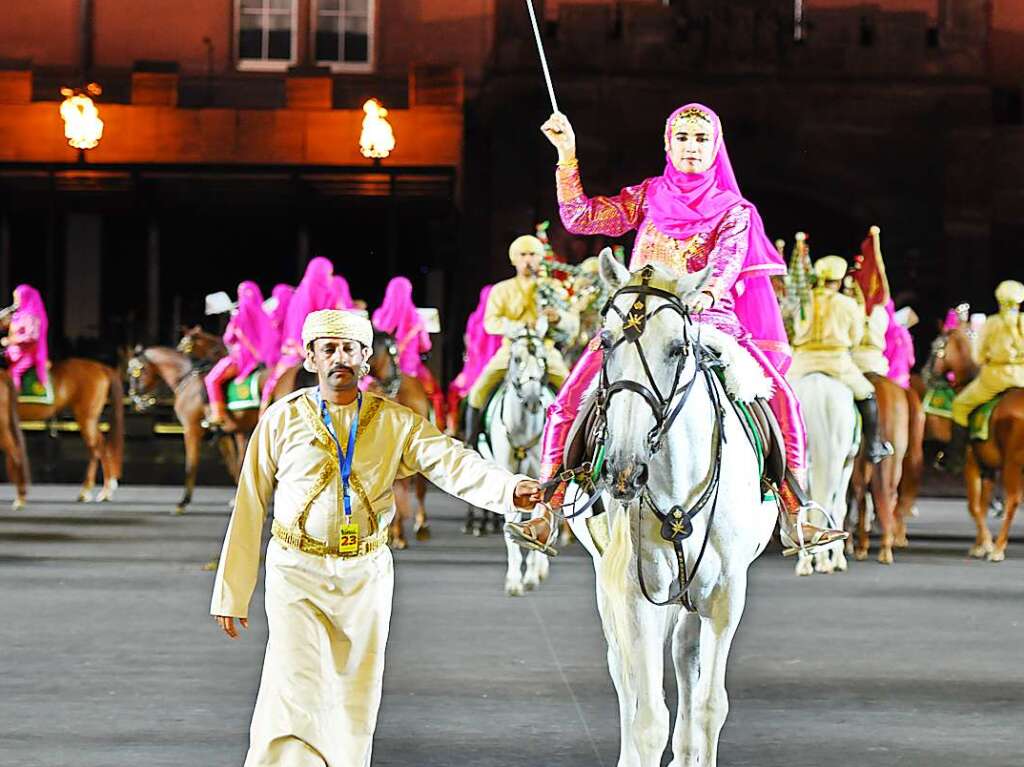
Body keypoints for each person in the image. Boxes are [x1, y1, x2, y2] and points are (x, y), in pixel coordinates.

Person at [210, 309, 544, 766]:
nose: (339, 358)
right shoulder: (280, 420)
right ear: (311, 357)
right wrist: (233, 592)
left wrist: (510, 489)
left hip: (365, 575)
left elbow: (452, 461)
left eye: (350, 348)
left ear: (367, 358)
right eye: (328, 349)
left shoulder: (396, 422)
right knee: (294, 680)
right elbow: (250, 505)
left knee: (355, 689)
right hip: (295, 571)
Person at [510, 105, 847, 556]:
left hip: (708, 319)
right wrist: (567, 155)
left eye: (701, 139)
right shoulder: (646, 196)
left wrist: (704, 296)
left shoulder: (734, 210)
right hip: (640, 321)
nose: (692, 146)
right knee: (570, 397)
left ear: (715, 148)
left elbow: (727, 263)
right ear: (668, 145)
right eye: (683, 138)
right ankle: (548, 507)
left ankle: (797, 510)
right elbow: (582, 219)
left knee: (781, 397)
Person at [464, 234, 572, 448]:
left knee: (573, 391)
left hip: (545, 351)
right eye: (523, 255)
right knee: (477, 391)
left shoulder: (553, 289)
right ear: (514, 259)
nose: (528, 260)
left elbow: (571, 324)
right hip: (511, 351)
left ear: (540, 258)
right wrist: (514, 327)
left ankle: (574, 447)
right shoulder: (501, 290)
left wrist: (558, 317)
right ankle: (471, 445)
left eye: (532, 254)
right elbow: (490, 322)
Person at [789, 255, 893, 463]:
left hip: (800, 363)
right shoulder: (847, 304)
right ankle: (873, 445)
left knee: (776, 395)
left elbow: (791, 331)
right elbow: (855, 338)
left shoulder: (801, 302)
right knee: (867, 394)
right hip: (837, 363)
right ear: (837, 281)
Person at [942, 280, 1024, 473]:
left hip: (995, 379)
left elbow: (977, 356)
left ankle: (956, 458)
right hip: (1022, 378)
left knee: (960, 406)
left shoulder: (992, 323)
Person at [261, 257, 336, 409]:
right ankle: (265, 421)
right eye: (328, 274)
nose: (330, 278)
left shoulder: (326, 296)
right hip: (298, 351)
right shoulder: (302, 297)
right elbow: (296, 331)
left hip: (322, 350)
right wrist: (308, 351)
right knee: (272, 387)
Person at [371, 276, 444, 424]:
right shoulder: (416, 318)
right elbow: (426, 346)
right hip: (412, 370)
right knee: (434, 395)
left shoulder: (379, 316)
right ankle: (439, 426)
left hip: (382, 373)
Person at [204, 281, 275, 426]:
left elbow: (229, 338)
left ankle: (218, 414)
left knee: (211, 379)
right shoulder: (265, 314)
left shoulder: (239, 314)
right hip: (264, 360)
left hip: (240, 359)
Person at [2, 284, 49, 391]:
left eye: (18, 298)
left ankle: (14, 401)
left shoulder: (31, 316)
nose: (16, 302)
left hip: (28, 353)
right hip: (16, 352)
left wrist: (10, 340)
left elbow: (31, 336)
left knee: (14, 371)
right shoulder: (18, 315)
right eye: (15, 298)